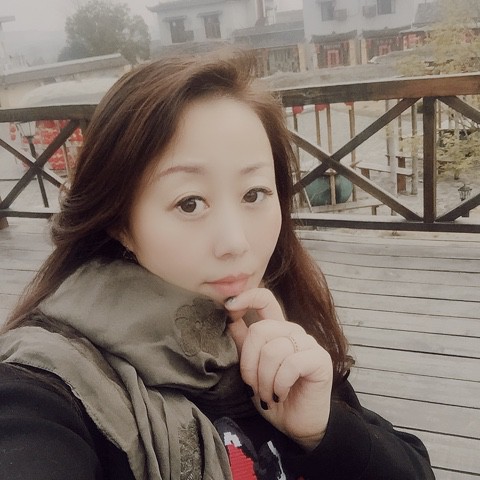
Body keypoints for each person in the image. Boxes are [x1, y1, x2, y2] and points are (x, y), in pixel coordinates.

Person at [0, 51, 435, 480]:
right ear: (121, 223)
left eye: (254, 194)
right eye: (190, 203)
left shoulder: (271, 321)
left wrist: (324, 431)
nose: (236, 242)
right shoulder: (49, 389)